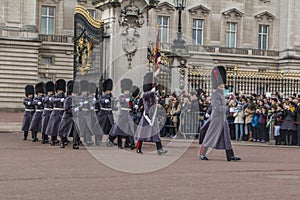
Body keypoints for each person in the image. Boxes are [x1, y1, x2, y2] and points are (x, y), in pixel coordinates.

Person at [198, 66, 241, 161]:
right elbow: (217, 107)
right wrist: (228, 110)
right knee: (210, 136)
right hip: (216, 119)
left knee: (226, 137)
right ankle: (202, 153)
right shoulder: (215, 94)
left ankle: (230, 155)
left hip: (222, 119)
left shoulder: (220, 93)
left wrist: (229, 105)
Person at [135, 72, 167, 155]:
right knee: (143, 133)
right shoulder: (146, 93)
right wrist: (152, 92)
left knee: (156, 133)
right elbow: (146, 96)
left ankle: (160, 150)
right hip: (147, 116)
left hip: (153, 115)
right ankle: (138, 148)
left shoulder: (154, 93)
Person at [109, 78, 135, 149]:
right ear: (123, 90)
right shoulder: (121, 96)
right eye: (126, 90)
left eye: (128, 90)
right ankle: (119, 144)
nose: (127, 92)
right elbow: (120, 100)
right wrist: (126, 99)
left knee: (129, 129)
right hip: (123, 114)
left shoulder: (131, 97)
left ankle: (129, 143)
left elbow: (133, 104)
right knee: (120, 130)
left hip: (129, 114)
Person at [45, 79, 66, 146]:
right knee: (54, 127)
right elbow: (52, 100)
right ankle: (53, 139)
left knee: (62, 127)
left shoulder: (65, 97)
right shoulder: (54, 96)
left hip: (62, 113)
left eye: (61, 90)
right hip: (55, 113)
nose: (60, 92)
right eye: (59, 90)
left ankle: (63, 139)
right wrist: (60, 99)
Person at [97, 79, 115, 146]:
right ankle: (98, 140)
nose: (108, 91)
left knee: (112, 128)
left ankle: (110, 140)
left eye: (109, 90)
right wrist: (104, 101)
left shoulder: (111, 97)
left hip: (110, 114)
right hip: (103, 114)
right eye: (107, 90)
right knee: (101, 128)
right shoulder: (102, 96)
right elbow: (99, 101)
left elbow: (114, 106)